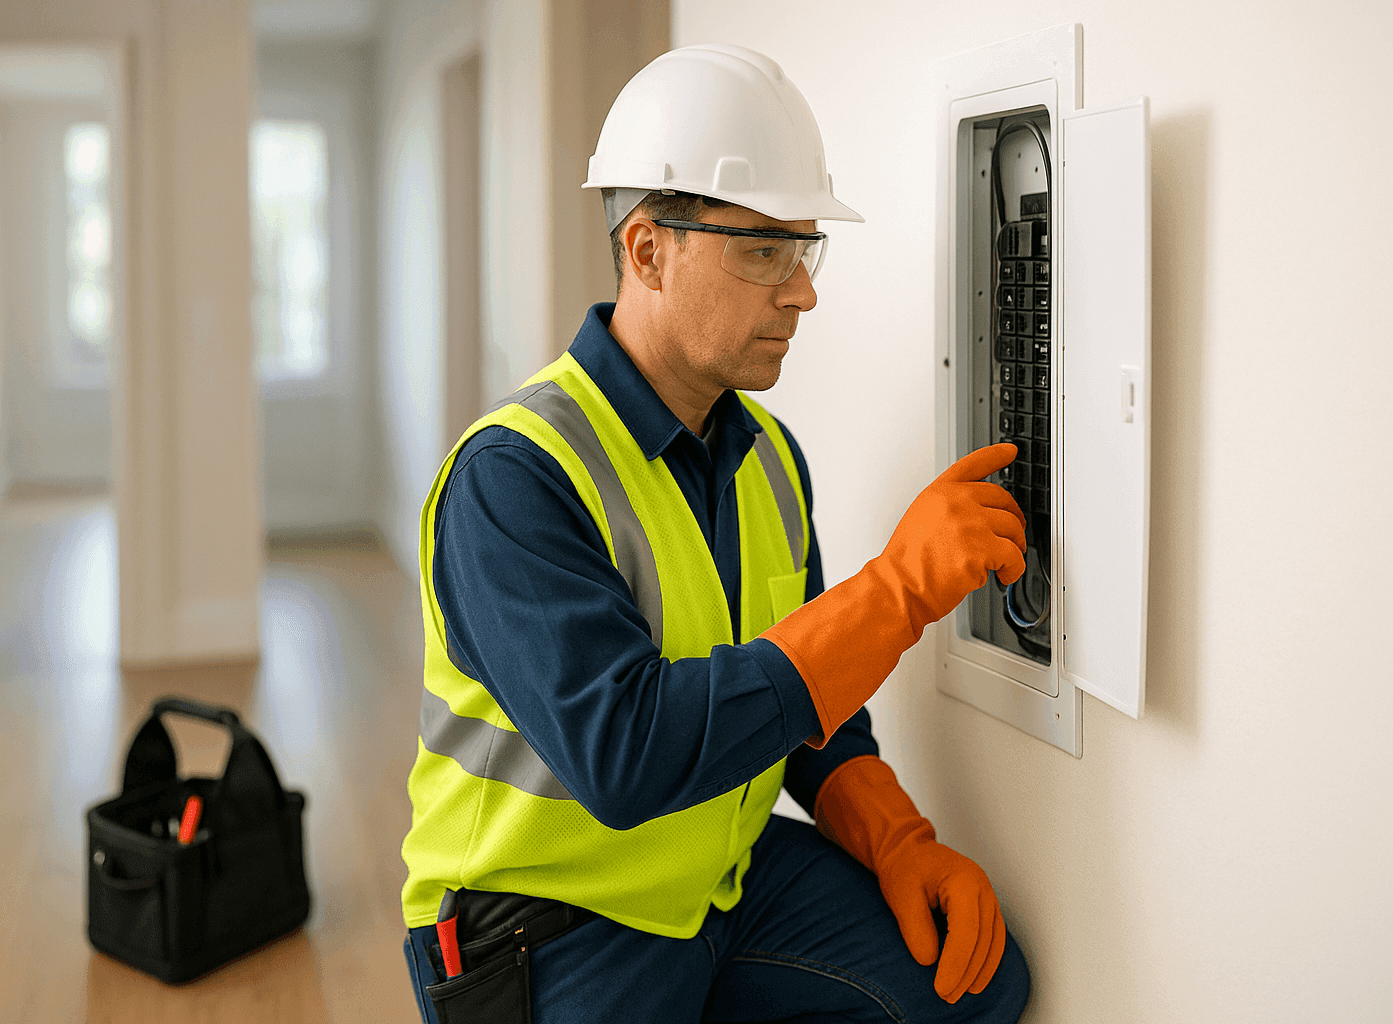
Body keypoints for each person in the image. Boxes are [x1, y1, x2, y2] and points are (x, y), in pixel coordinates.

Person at [400, 43, 1033, 1024]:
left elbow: (807, 710)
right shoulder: (515, 477)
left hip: (717, 877)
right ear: (648, 249)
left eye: (805, 248)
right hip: (542, 926)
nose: (803, 290)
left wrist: (898, 836)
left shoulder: (769, 459)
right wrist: (900, 587)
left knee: (978, 979)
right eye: (764, 250)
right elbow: (628, 754)